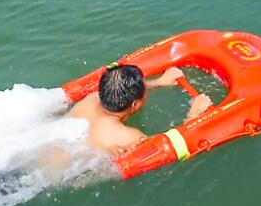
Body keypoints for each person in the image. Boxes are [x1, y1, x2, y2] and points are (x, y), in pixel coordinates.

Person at [69, 64, 212, 156]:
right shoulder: (129, 137)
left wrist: (159, 82)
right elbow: (167, 151)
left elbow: (121, 90)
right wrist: (194, 114)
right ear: (135, 105)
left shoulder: (91, 99)